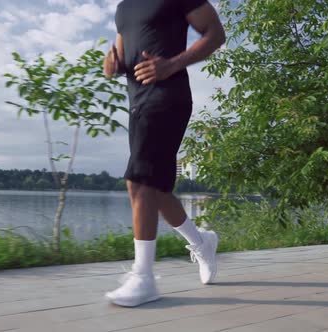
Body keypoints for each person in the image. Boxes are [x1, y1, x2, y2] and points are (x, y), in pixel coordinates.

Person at [102, 0, 226, 307]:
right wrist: (113, 66)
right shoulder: (122, 8)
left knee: (139, 182)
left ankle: (143, 278)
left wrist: (171, 64)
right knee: (155, 190)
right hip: (138, 102)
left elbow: (215, 34)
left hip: (168, 97)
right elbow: (121, 55)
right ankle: (202, 242)